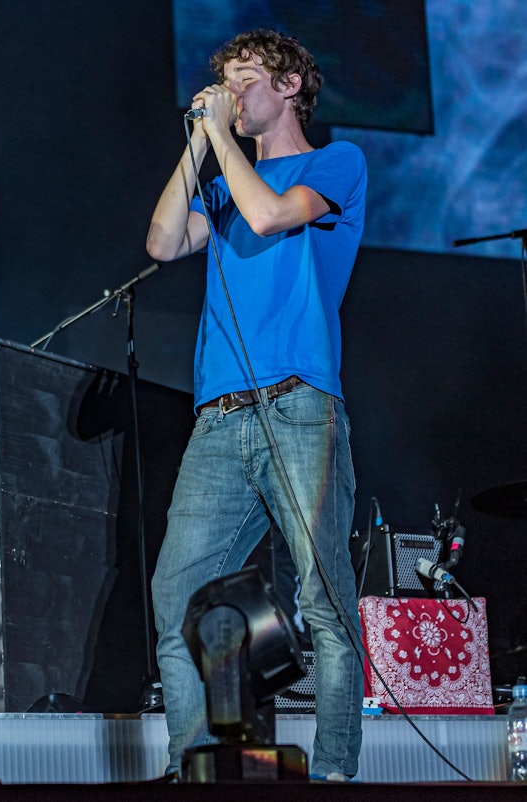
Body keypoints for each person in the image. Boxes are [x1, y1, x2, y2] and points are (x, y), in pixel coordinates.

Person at [145, 29, 366, 781]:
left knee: (323, 596)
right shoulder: (220, 181)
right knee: (176, 594)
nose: (232, 95)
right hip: (219, 419)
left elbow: (271, 215)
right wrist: (197, 147)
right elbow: (162, 245)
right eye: (226, 82)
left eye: (245, 80)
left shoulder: (336, 163)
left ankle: (334, 770)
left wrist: (219, 138)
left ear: (292, 85)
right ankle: (189, 766)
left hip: (300, 406)